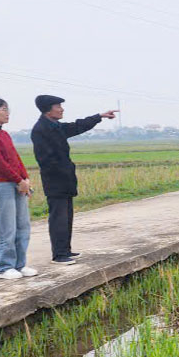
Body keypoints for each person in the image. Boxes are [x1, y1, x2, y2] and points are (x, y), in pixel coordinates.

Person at [30, 95, 117, 264]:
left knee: (67, 216)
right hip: (55, 180)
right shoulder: (41, 129)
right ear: (48, 109)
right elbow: (46, 160)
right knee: (58, 217)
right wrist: (62, 171)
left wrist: (99, 116)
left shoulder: (55, 126)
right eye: (58, 106)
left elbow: (78, 126)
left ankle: (66, 250)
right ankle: (59, 254)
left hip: (65, 179)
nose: (62, 109)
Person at [0, 97, 37, 280]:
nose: (7, 113)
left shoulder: (4, 134)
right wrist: (18, 180)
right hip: (1, 184)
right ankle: (4, 266)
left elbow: (15, 159)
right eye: (3, 109)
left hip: (17, 183)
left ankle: (20, 264)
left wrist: (25, 178)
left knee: (22, 225)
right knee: (6, 227)